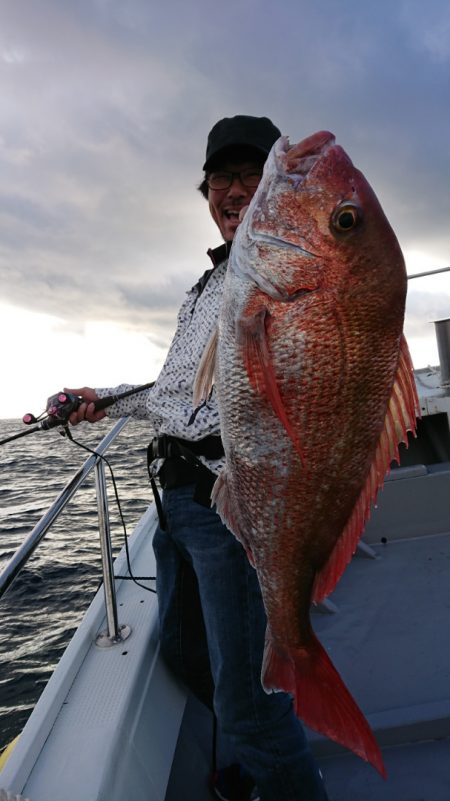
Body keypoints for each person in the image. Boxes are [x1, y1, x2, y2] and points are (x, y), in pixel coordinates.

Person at [67, 115, 329, 801]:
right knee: (184, 651)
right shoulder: (204, 290)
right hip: (176, 499)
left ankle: (269, 752)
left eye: (253, 175)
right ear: (206, 192)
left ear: (280, 189)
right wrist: (105, 400)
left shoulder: (284, 274)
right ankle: (251, 746)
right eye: (222, 178)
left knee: (252, 704)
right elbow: (176, 395)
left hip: (232, 502)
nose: (235, 189)